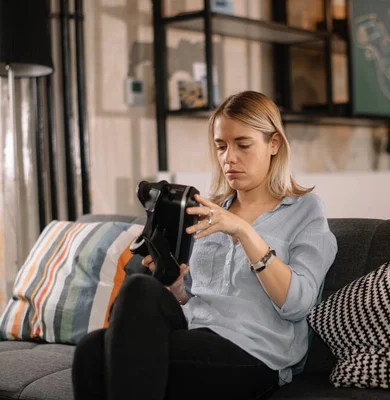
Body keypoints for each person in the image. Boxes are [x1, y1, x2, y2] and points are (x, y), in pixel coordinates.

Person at [72, 90, 337, 400]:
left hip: (254, 352)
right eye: (221, 146)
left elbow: (298, 304)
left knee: (107, 355)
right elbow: (194, 297)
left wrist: (244, 232)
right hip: (195, 330)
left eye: (243, 144)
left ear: (274, 144)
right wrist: (177, 288)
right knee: (99, 338)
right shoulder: (208, 211)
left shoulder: (304, 210)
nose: (229, 158)